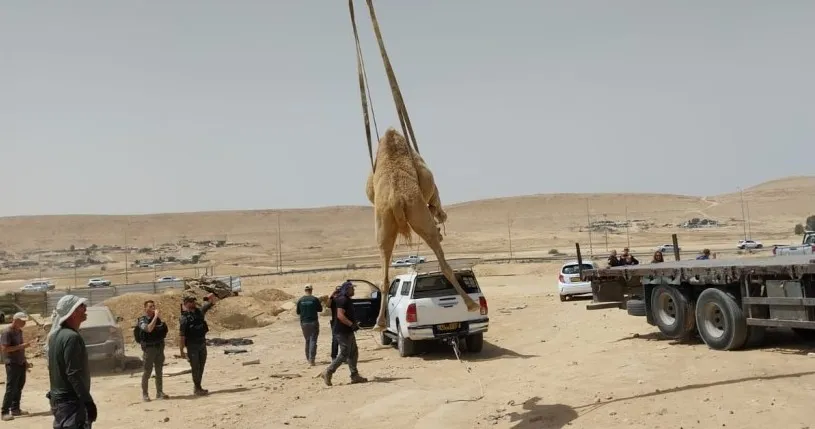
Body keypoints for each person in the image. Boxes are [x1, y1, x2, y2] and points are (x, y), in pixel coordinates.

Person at [46, 294, 97, 429]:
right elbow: (73, 374)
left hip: (60, 403)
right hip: (71, 404)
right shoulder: (72, 337)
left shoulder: (55, 336)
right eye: (81, 306)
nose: (85, 308)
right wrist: (88, 402)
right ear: (73, 312)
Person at [321, 282, 367, 386]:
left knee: (353, 352)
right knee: (344, 353)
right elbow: (340, 315)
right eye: (352, 289)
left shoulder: (342, 299)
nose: (354, 291)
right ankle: (328, 371)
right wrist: (351, 324)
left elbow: (330, 306)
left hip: (347, 330)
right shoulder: (342, 299)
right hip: (342, 331)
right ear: (347, 289)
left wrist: (354, 324)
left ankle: (354, 375)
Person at [179, 293, 218, 396]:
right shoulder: (184, 318)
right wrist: (181, 350)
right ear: (186, 304)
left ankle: (198, 386)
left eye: (194, 301)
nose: (193, 303)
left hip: (202, 343)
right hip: (192, 346)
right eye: (190, 302)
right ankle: (197, 387)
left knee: (201, 366)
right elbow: (182, 336)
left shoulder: (199, 312)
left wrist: (211, 296)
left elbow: (212, 303)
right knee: (195, 367)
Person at [1, 312, 32, 421]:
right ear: (15, 320)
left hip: (20, 362)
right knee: (11, 388)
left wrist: (25, 361)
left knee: (19, 386)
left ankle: (15, 409)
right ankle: (4, 412)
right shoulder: (7, 332)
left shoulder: (19, 331)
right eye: (22, 321)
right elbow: (4, 349)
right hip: (12, 363)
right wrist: (21, 346)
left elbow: (21, 349)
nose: (24, 323)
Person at [137, 300, 169, 401]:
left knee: (159, 371)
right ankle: (145, 394)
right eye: (150, 307)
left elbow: (163, 330)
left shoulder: (158, 320)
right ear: (145, 308)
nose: (153, 308)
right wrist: (155, 317)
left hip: (159, 347)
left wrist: (158, 318)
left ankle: (159, 392)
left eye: (153, 306)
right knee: (147, 372)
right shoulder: (142, 320)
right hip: (149, 349)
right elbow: (149, 329)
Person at [295, 284, 323, 366]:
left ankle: (308, 359)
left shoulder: (300, 300)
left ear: (305, 290)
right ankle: (312, 360)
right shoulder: (314, 299)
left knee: (307, 340)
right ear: (311, 290)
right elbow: (320, 309)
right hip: (313, 322)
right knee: (313, 340)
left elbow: (298, 312)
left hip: (304, 323)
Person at [327, 284, 344, 360]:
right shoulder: (333, 300)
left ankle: (343, 356)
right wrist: (331, 296)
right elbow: (328, 305)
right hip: (335, 322)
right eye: (337, 291)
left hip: (343, 322)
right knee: (335, 340)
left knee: (344, 340)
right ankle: (334, 357)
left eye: (339, 291)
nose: (338, 293)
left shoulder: (344, 299)